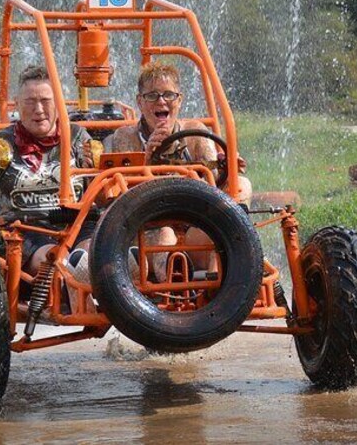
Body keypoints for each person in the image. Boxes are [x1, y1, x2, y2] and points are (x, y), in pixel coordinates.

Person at [105, 61, 253, 281]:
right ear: (140, 102)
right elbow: (120, 199)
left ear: (179, 100)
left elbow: (213, 185)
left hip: (193, 223)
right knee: (165, 235)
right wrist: (148, 159)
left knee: (242, 185)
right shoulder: (124, 138)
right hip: (148, 228)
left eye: (168, 95)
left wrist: (227, 167)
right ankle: (177, 294)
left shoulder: (195, 133)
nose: (161, 101)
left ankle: (228, 278)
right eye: (152, 96)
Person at [0, 65, 96, 280]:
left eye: (45, 101)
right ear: (17, 105)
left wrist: (92, 172)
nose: (39, 109)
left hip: (76, 227)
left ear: (59, 103)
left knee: (94, 258)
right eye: (30, 102)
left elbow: (105, 196)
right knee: (57, 263)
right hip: (26, 233)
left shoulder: (78, 137)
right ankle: (70, 309)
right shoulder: (2, 144)